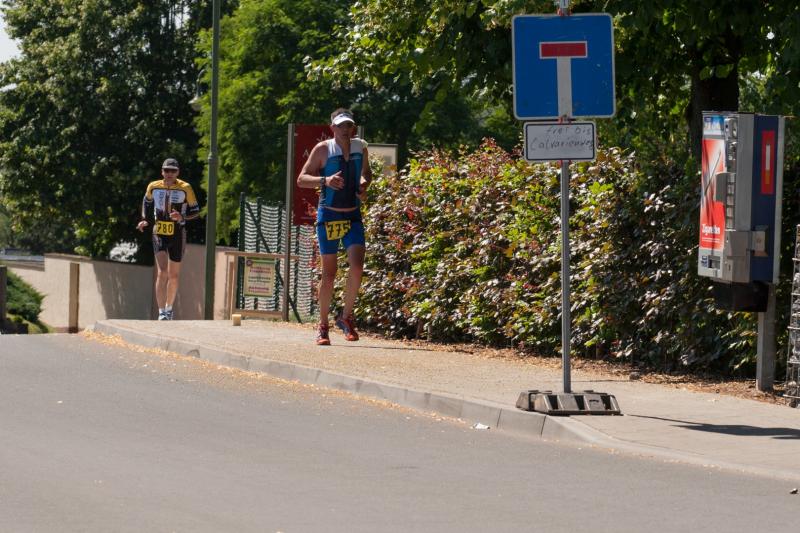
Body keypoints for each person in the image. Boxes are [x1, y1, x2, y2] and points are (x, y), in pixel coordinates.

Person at [297, 108, 372, 345]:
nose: (345, 130)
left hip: (352, 216)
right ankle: (323, 326)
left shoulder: (361, 147)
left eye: (348, 125)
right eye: (340, 126)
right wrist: (325, 180)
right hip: (329, 216)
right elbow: (301, 179)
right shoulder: (323, 149)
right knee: (329, 274)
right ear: (332, 128)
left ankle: (346, 317)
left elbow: (366, 173)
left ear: (353, 127)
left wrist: (363, 184)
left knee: (357, 267)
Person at [137, 158, 200, 320]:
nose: (169, 173)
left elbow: (196, 211)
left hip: (177, 233)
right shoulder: (153, 186)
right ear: (162, 171)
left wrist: (181, 216)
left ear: (178, 172)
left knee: (174, 275)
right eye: (166, 170)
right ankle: (161, 312)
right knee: (162, 271)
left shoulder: (185, 188)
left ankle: (169, 308)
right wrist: (145, 219)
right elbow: (146, 202)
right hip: (159, 231)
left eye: (173, 171)